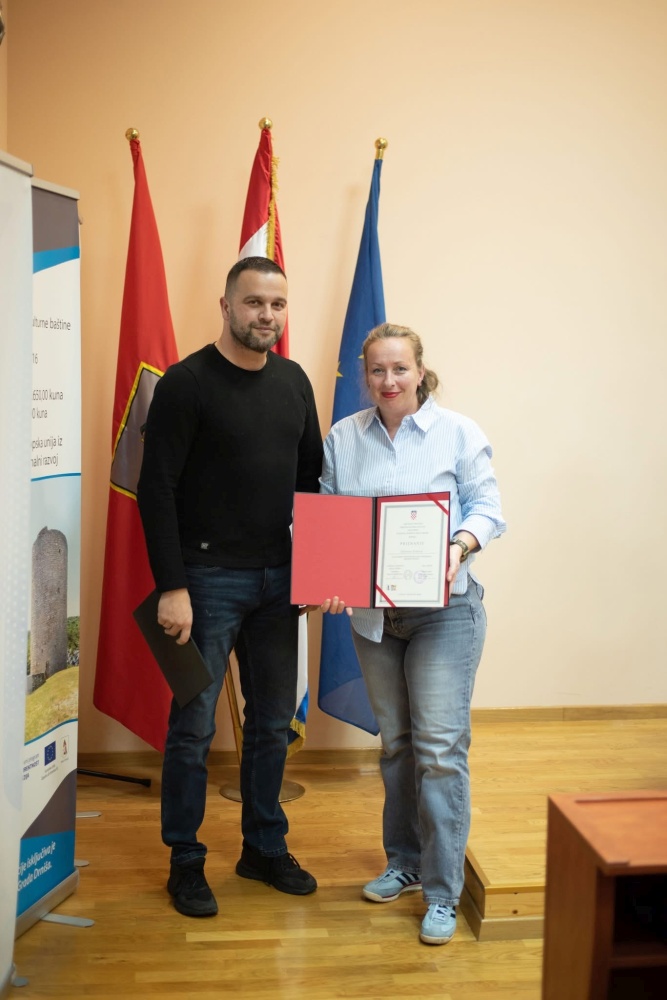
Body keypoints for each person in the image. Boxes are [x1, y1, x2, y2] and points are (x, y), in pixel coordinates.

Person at [137, 256, 323, 917]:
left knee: (271, 725)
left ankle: (262, 848)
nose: (266, 315)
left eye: (277, 304)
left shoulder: (294, 382)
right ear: (225, 306)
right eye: (253, 303)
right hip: (204, 581)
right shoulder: (186, 384)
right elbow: (155, 490)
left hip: (279, 584)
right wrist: (172, 587)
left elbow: (311, 484)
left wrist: (318, 570)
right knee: (192, 728)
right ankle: (185, 861)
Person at [320, 322, 506, 945]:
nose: (389, 380)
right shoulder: (344, 437)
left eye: (400, 368)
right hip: (375, 620)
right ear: (365, 375)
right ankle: (403, 863)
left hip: (445, 612)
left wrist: (459, 544)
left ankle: (443, 892)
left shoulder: (458, 432)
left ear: (420, 371)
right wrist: (327, 573)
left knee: (440, 750)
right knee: (397, 746)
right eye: (377, 370)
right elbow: (328, 517)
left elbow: (488, 508)